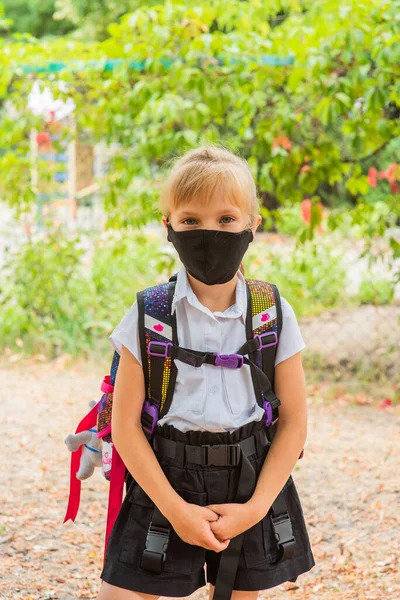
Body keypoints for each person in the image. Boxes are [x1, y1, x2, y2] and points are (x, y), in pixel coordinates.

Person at [96, 145, 315, 600]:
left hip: (249, 480)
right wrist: (176, 511)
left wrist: (254, 510)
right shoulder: (149, 314)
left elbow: (294, 422)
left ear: (253, 225)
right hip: (164, 481)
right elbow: (126, 426)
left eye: (226, 219)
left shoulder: (271, 313)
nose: (209, 233)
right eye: (191, 221)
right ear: (169, 228)